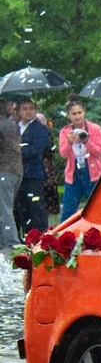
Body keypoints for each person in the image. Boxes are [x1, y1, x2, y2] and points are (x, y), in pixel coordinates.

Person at [58, 96, 101, 221]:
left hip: (93, 172)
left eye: (79, 113)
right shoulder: (65, 131)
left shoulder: (95, 129)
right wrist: (69, 142)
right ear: (68, 115)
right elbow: (63, 153)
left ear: (84, 112)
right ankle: (65, 237)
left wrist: (86, 141)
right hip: (73, 174)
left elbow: (99, 151)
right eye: (74, 114)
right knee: (68, 211)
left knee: (97, 209)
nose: (77, 116)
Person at [13, 98, 49, 235]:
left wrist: (17, 151)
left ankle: (40, 235)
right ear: (20, 111)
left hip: (33, 174)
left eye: (31, 108)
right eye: (25, 109)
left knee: (36, 207)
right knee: (21, 207)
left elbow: (36, 149)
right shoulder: (15, 128)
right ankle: (26, 235)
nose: (28, 112)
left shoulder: (40, 129)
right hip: (18, 174)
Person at [0, 100, 22, 251]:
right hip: (16, 171)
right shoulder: (11, 124)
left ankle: (11, 244)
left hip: (4, 170)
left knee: (5, 209)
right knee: (5, 207)